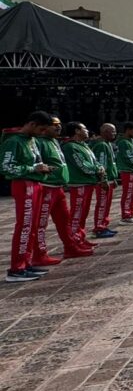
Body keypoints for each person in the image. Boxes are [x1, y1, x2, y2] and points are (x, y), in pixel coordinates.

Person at [1, 111, 55, 282]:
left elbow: (33, 163)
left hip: (36, 184)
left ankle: (26, 262)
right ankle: (16, 268)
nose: (42, 133)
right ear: (32, 124)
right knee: (24, 226)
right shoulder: (13, 141)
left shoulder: (31, 140)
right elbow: (6, 167)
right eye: (41, 129)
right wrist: (33, 169)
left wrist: (42, 168)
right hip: (24, 185)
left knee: (32, 226)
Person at [34, 115, 90, 266]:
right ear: (44, 127)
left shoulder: (54, 141)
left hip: (58, 188)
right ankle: (39, 255)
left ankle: (71, 248)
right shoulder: (39, 142)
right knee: (41, 223)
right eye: (54, 125)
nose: (58, 127)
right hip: (47, 188)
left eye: (59, 124)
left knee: (65, 221)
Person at [62, 121, 104, 254]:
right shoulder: (70, 147)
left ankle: (81, 237)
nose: (87, 131)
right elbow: (82, 165)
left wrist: (99, 168)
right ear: (76, 131)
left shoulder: (83, 145)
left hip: (87, 183)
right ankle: (74, 241)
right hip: (79, 183)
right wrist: (97, 170)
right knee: (76, 214)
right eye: (84, 128)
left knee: (83, 214)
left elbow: (94, 161)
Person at [90, 123, 120, 238]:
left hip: (109, 179)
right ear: (104, 132)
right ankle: (99, 228)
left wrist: (113, 178)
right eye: (112, 131)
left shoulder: (108, 144)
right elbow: (102, 164)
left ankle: (104, 225)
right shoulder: (101, 145)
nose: (114, 134)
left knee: (106, 204)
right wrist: (104, 179)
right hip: (103, 181)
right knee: (102, 204)